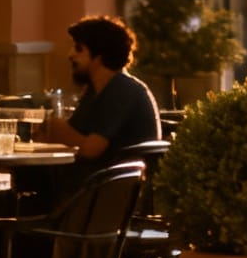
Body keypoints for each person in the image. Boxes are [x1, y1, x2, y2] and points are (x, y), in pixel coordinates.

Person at [38, 16, 161, 176]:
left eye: (79, 48)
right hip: (89, 184)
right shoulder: (95, 91)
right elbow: (75, 133)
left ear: (99, 57)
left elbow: (91, 149)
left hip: (109, 191)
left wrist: (53, 127)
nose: (70, 55)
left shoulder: (122, 89)